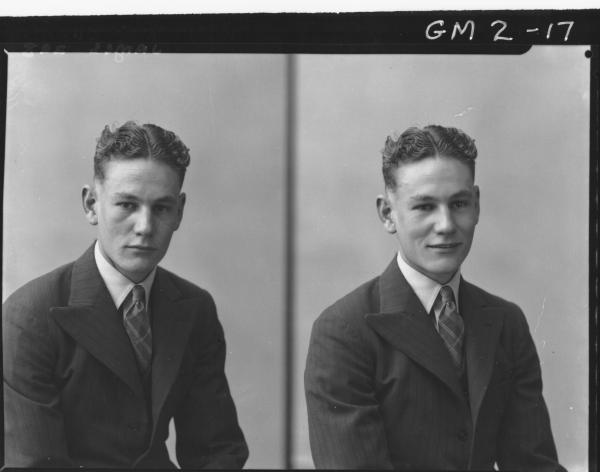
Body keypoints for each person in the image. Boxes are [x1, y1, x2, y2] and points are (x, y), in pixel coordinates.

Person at [304, 125, 564, 470]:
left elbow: (534, 464)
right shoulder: (343, 331)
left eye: (458, 203)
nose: (445, 224)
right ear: (387, 214)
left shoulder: (505, 321)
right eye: (424, 206)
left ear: (477, 205)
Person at [3, 122, 249, 468]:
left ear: (179, 211)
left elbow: (216, 450)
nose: (145, 226)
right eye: (127, 205)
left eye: (161, 208)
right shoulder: (29, 315)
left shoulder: (194, 309)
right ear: (91, 204)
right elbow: (34, 465)